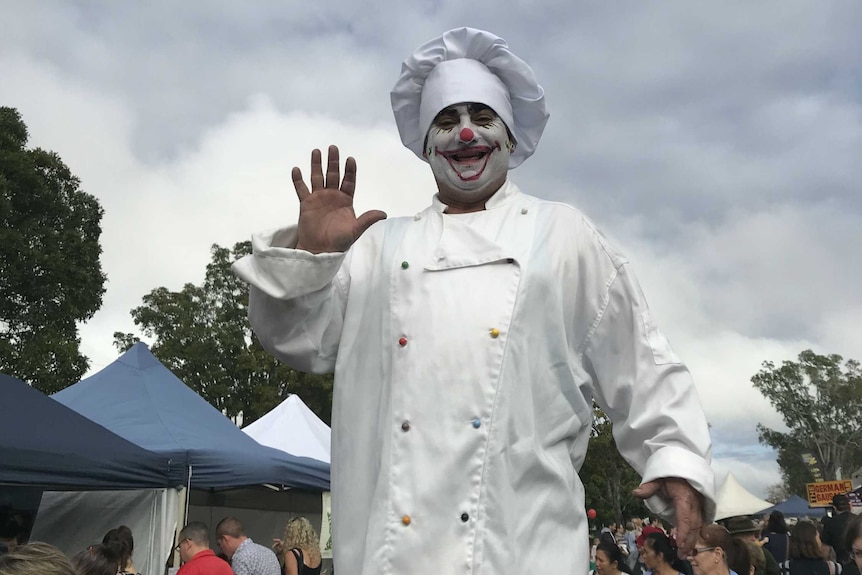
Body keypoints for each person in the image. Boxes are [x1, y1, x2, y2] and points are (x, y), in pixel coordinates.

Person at [232, 26, 715, 574]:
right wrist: (313, 260)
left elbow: (641, 361)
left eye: (481, 118)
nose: (464, 134)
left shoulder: (564, 236)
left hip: (524, 551)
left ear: (509, 137)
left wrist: (675, 456)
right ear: (424, 145)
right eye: (446, 120)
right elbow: (294, 340)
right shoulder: (379, 248)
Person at [823, 495, 853, 565]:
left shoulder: (830, 523)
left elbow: (826, 547)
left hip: (839, 562)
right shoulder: (858, 519)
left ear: (834, 508)